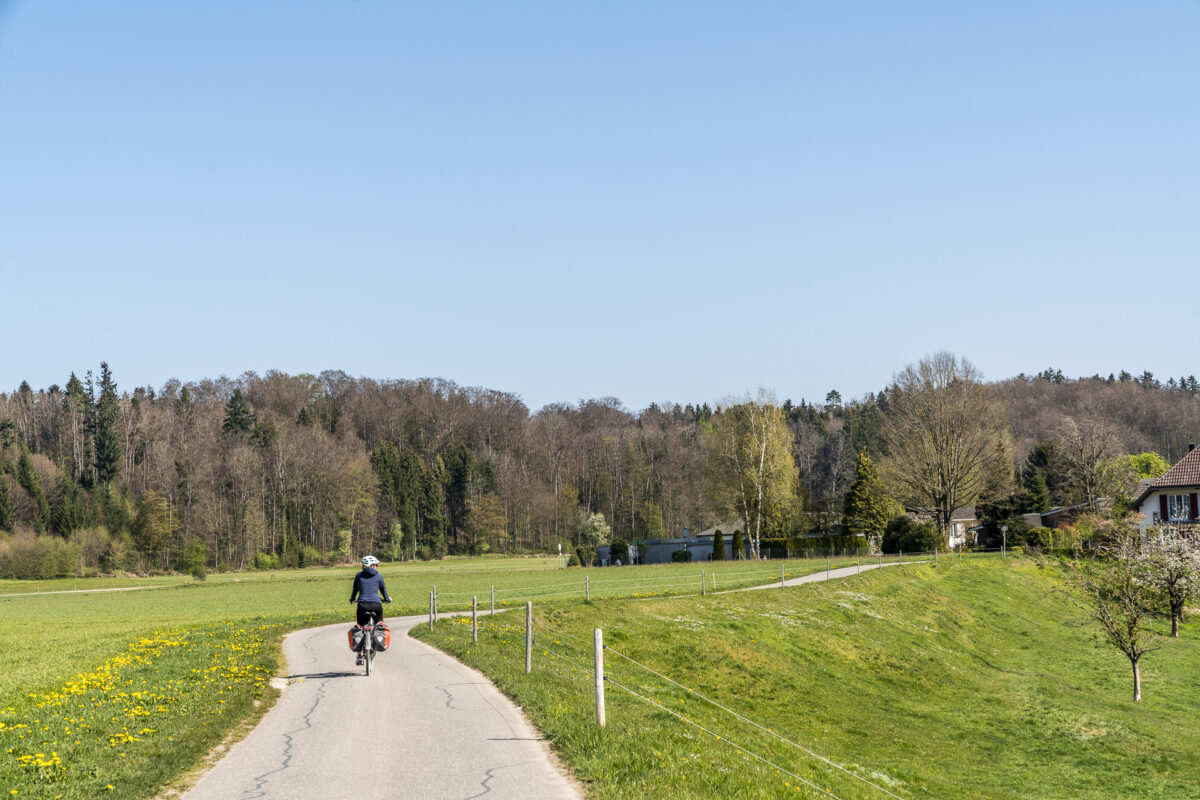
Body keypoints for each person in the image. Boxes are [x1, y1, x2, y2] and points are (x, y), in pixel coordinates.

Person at [350, 555, 392, 665]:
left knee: (360, 627)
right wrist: (387, 599)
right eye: (375, 565)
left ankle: (359, 655)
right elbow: (383, 590)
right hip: (376, 606)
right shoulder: (379, 576)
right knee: (379, 623)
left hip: (362, 605)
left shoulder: (358, 576)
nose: (376, 567)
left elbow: (355, 590)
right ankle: (376, 639)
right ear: (372, 565)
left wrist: (352, 599)